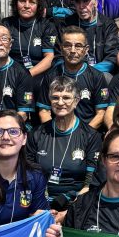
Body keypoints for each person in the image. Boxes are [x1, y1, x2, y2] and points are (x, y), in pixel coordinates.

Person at [27, 79, 100, 210]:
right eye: (55, 98)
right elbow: (28, 176)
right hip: (40, 203)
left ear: (76, 101)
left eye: (66, 97)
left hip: (75, 204)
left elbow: (89, 184)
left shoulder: (90, 135)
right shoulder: (36, 133)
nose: (60, 103)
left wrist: (70, 207)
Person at [36, 26, 109, 128]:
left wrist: (83, 135)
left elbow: (101, 113)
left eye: (78, 46)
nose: (73, 50)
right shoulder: (51, 75)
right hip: (58, 133)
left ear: (86, 49)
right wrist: (54, 134)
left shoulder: (97, 76)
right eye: (67, 45)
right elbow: (44, 111)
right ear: (61, 48)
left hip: (88, 134)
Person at [58, 0, 119, 76]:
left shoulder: (108, 25)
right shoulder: (66, 24)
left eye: (86, 1)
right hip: (70, 72)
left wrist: (87, 72)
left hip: (98, 73)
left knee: (107, 77)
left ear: (95, 2)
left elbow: (111, 59)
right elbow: (57, 57)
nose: (81, 6)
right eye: (77, 2)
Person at [1, 0, 58, 78]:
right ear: (16, 3)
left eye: (32, 2)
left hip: (37, 74)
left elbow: (49, 58)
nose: (27, 6)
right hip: (10, 72)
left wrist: (27, 75)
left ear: (38, 6)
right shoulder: (7, 23)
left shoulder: (47, 26)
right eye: (22, 1)